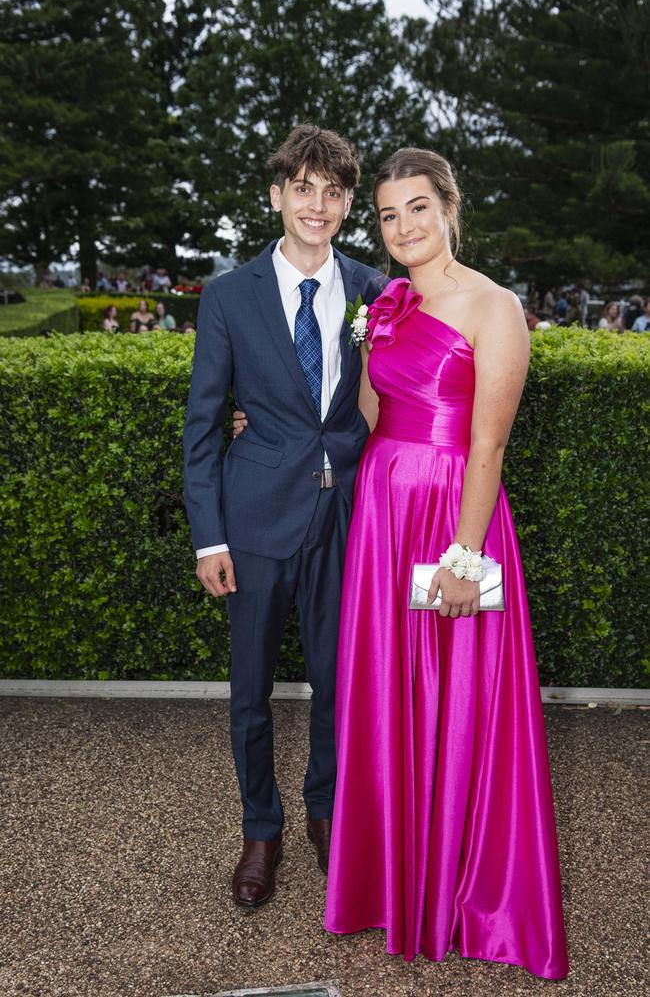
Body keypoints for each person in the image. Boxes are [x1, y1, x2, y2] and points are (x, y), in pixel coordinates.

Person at [321, 149, 569, 980]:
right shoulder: (381, 305)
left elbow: (488, 442)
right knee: (391, 695)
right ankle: (393, 884)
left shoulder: (493, 307)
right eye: (388, 216)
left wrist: (465, 557)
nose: (403, 228)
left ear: (450, 206)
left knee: (456, 695)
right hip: (384, 512)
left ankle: (466, 898)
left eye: (418, 208)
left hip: (451, 511)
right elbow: (369, 408)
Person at [182, 125, 384, 911]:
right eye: (303, 187)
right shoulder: (230, 296)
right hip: (256, 521)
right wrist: (210, 536)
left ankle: (325, 815)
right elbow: (204, 423)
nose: (318, 204)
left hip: (349, 518)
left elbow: (393, 396)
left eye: (333, 191)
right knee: (251, 692)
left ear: (344, 206)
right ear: (277, 196)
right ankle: (260, 830)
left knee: (341, 685)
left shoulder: (374, 289)